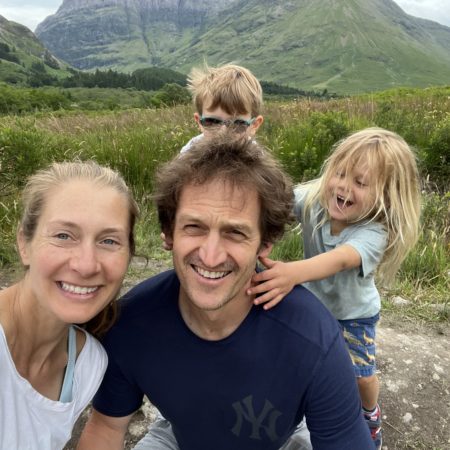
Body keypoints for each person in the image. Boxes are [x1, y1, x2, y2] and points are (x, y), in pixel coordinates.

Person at [78, 133, 373, 450]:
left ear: (265, 243)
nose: (211, 256)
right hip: (177, 437)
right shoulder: (131, 323)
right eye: (194, 227)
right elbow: (107, 426)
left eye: (235, 232)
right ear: (169, 233)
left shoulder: (313, 340)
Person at [248, 127, 422, 449]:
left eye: (360, 182)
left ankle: (369, 413)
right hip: (314, 306)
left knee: (360, 374)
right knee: (300, 359)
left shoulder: (374, 232)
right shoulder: (316, 199)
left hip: (353, 316)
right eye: (340, 174)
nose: (343, 186)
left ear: (385, 196)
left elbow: (340, 260)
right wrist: (257, 230)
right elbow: (278, 203)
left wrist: (291, 273)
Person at [0, 160, 139, 449]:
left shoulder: (87, 364)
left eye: (109, 241)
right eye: (63, 236)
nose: (86, 265)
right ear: (24, 243)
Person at [180, 63, 264, 153]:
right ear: (199, 122)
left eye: (238, 124)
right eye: (212, 122)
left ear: (254, 125)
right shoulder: (189, 152)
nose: (223, 132)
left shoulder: (256, 156)